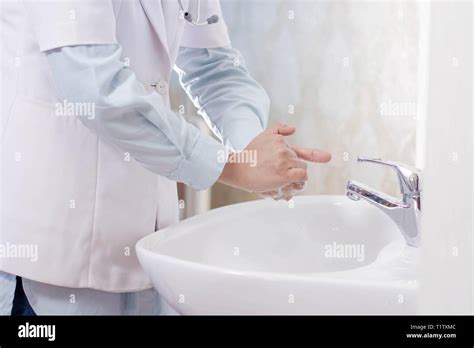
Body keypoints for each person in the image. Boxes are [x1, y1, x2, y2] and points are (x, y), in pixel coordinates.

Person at [0, 0, 331, 315]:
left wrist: (254, 149)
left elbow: (211, 64)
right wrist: (233, 167)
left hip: (147, 236)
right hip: (54, 241)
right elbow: (94, 84)